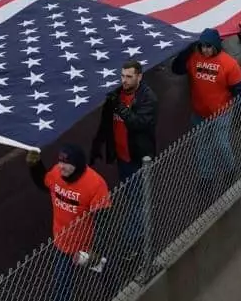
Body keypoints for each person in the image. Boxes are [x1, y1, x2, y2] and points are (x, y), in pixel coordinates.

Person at [28, 145, 111, 301]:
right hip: (63, 243)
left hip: (88, 245)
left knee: (105, 272)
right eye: (60, 161)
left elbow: (104, 221)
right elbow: (44, 183)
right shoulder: (56, 173)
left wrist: (96, 249)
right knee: (62, 285)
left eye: (66, 162)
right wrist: (35, 165)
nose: (61, 166)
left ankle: (115, 290)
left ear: (77, 164)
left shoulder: (95, 184)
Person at [171, 29, 241, 185]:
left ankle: (230, 170)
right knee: (202, 146)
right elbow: (176, 69)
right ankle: (206, 177)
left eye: (208, 46)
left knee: (221, 144)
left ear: (216, 46)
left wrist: (239, 114)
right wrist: (187, 50)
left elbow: (239, 90)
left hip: (221, 114)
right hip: (200, 114)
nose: (205, 50)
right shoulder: (194, 58)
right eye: (202, 46)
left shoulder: (229, 64)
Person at [91, 60, 158, 182]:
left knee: (137, 194)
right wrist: (98, 143)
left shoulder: (147, 98)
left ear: (139, 77)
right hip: (121, 156)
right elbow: (106, 122)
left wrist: (119, 106)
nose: (124, 80)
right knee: (126, 191)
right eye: (122, 76)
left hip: (137, 158)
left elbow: (137, 123)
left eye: (129, 76)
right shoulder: (116, 93)